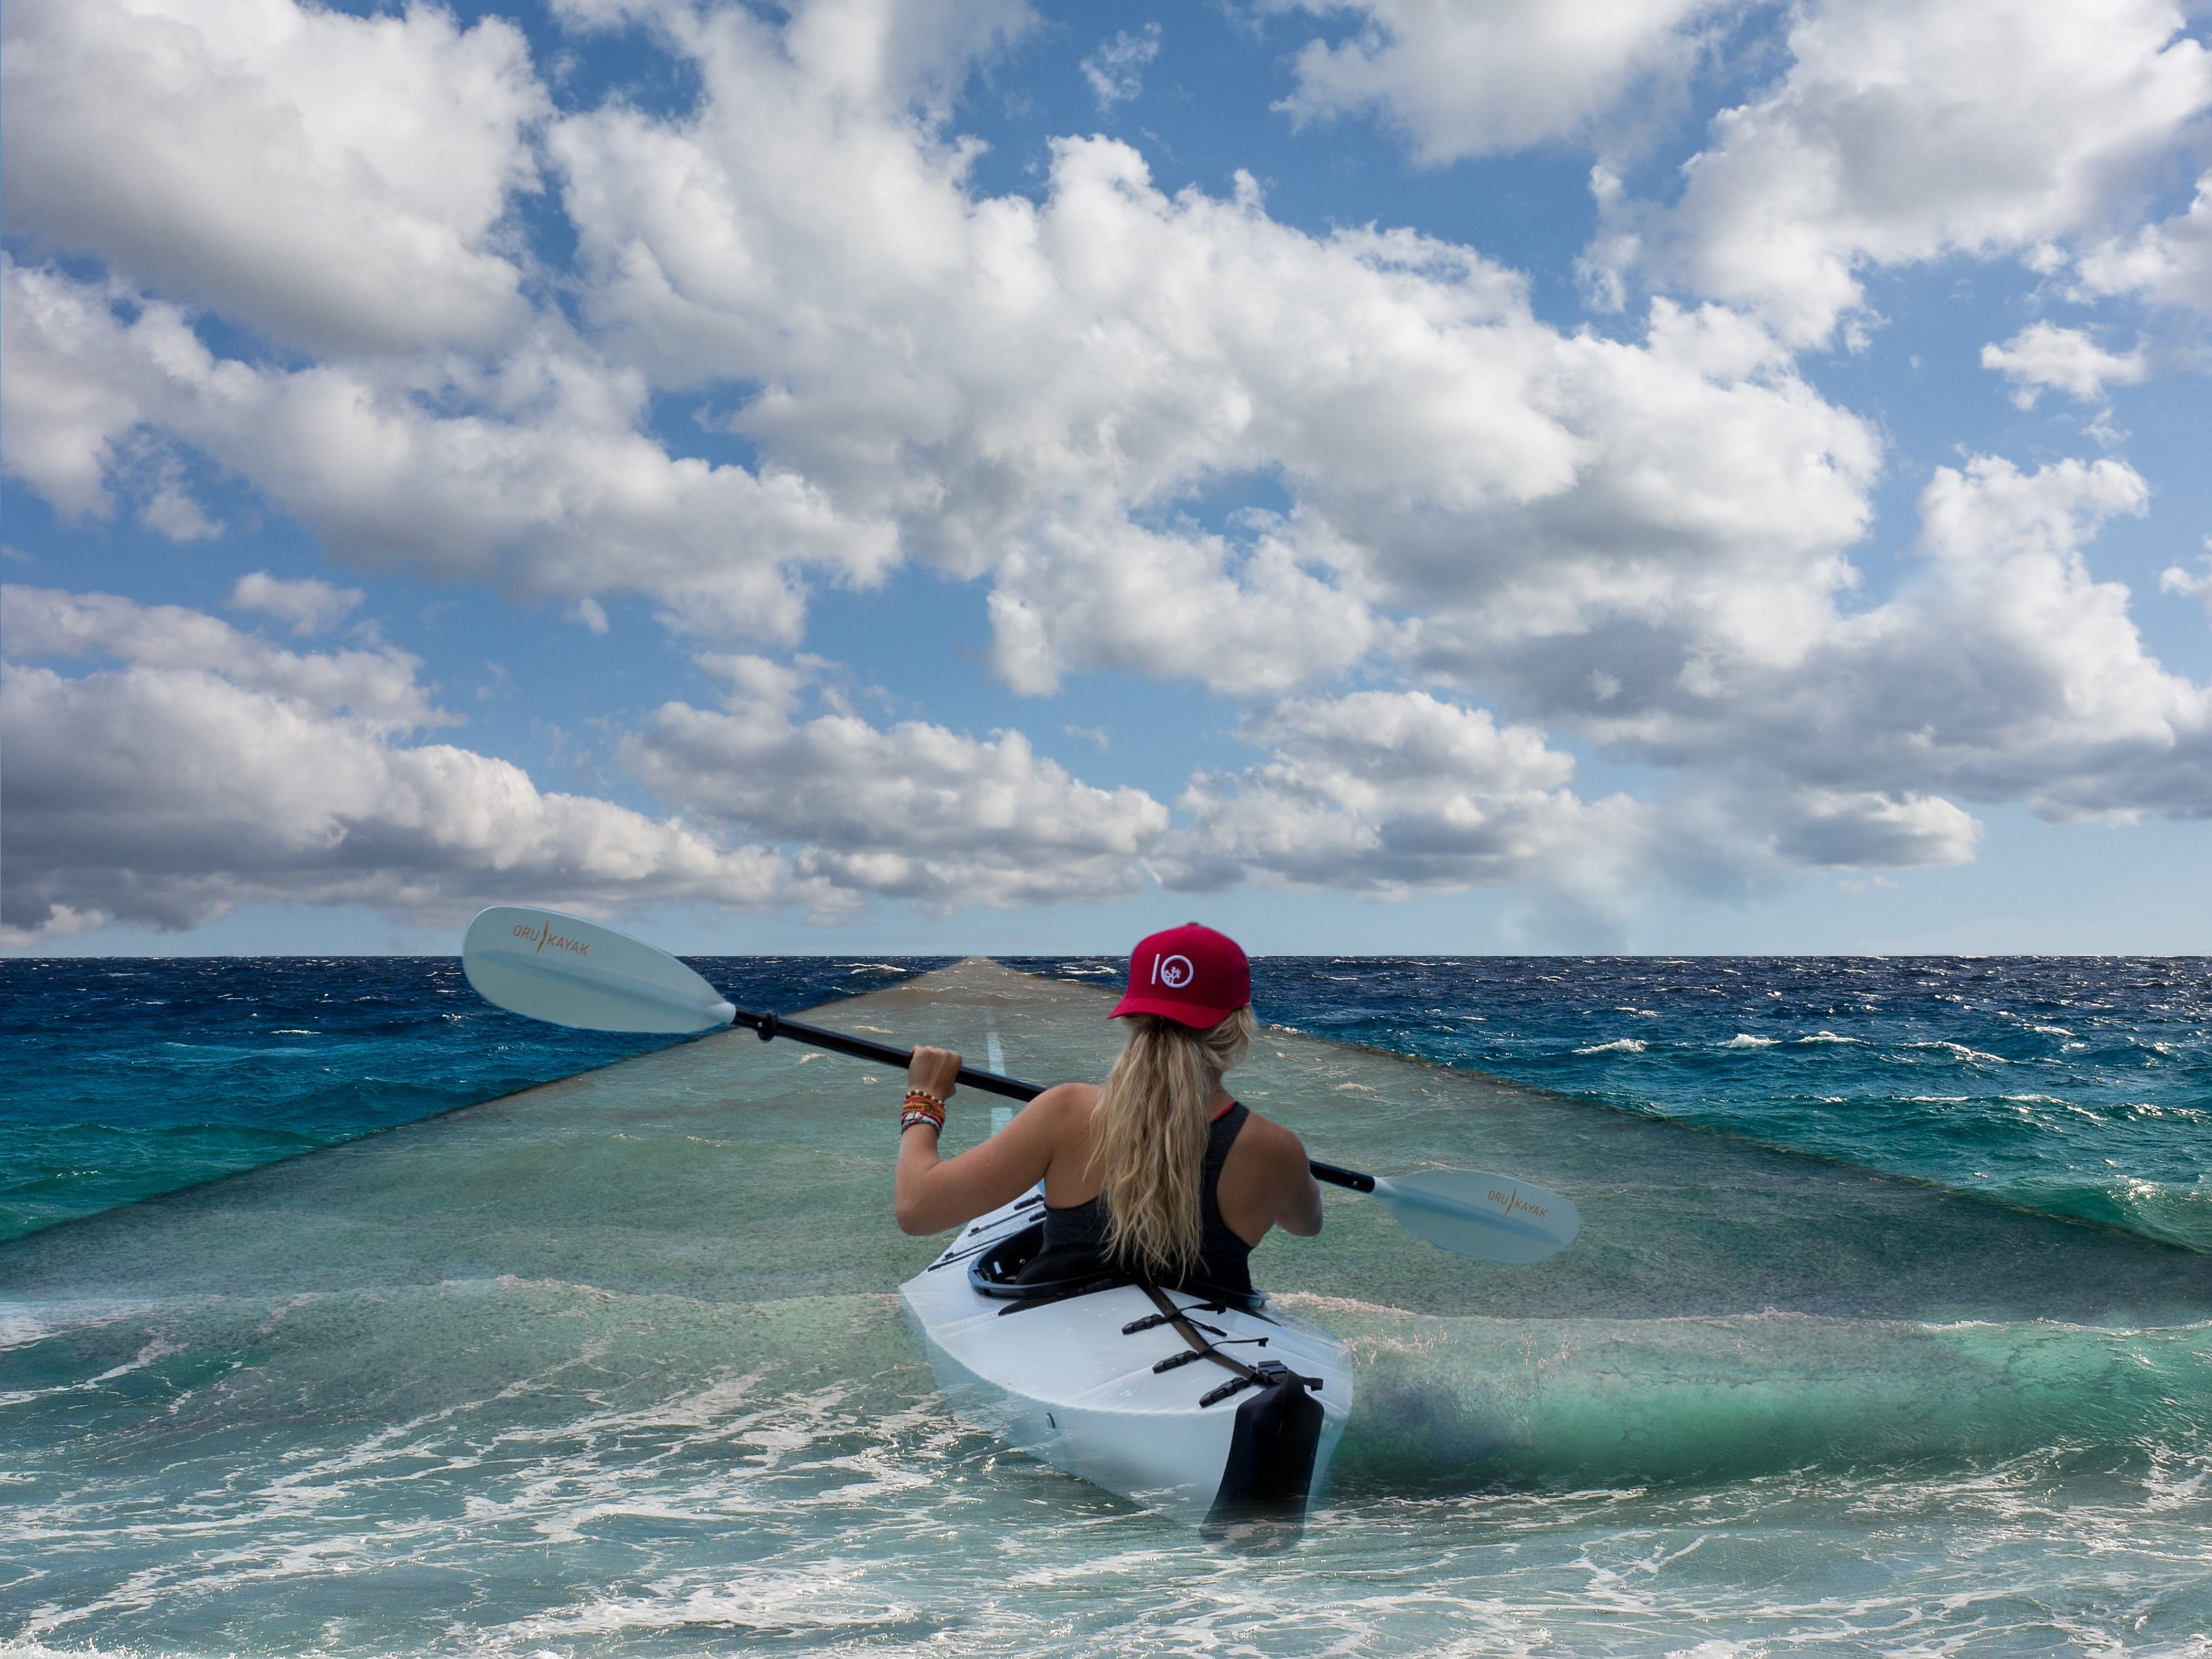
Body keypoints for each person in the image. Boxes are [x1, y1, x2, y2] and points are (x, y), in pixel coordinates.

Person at [893, 924, 1322, 1297]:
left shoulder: (1067, 1111)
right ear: (1240, 1024)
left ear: (1131, 1015)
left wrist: (924, 1098)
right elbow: (1307, 1225)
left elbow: (917, 1209)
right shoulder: (1275, 1148)